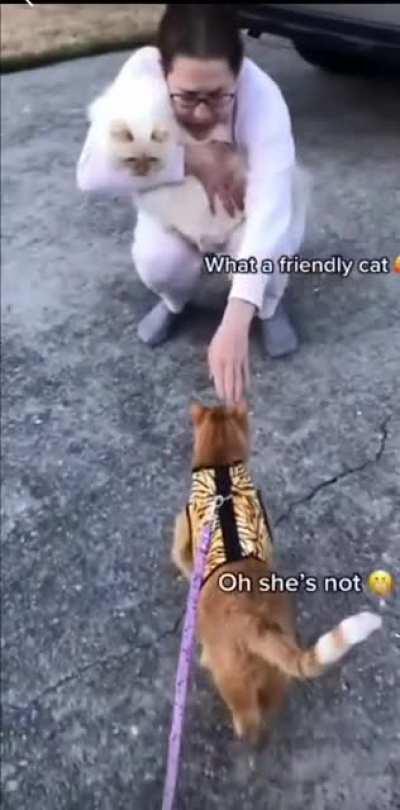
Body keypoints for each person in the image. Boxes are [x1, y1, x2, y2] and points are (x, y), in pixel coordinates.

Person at [76, 4, 310, 405]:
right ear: (163, 70)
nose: (202, 112)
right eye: (186, 97)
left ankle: (268, 307)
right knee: (158, 262)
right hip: (177, 211)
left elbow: (271, 208)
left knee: (271, 252)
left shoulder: (263, 96)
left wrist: (237, 317)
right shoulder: (140, 77)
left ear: (239, 71)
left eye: (217, 97)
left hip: (243, 212)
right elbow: (91, 175)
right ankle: (175, 301)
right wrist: (191, 160)